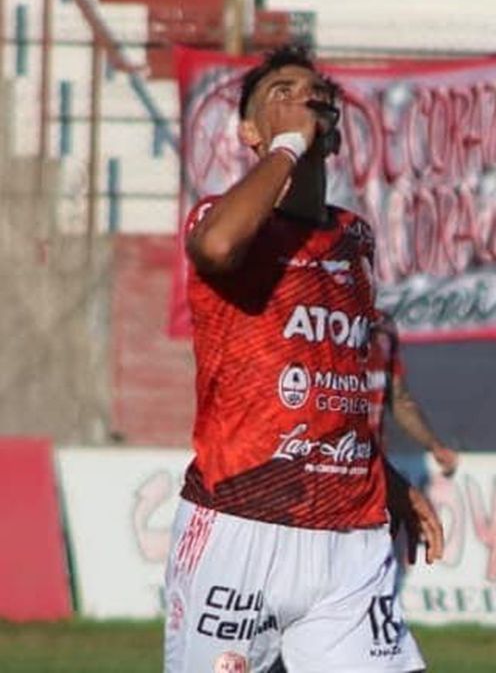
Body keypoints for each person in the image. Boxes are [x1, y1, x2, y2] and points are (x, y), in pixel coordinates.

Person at [165, 45, 443, 673]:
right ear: (249, 131)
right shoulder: (222, 219)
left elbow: (338, 383)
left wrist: (387, 478)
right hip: (241, 526)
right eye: (280, 94)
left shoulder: (354, 238)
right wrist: (286, 147)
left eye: (313, 93)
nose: (302, 100)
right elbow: (216, 246)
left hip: (348, 536)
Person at [369, 318, 460, 490]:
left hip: (373, 464)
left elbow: (399, 400)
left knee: (425, 514)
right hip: (328, 460)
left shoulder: (383, 325)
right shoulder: (325, 319)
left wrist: (434, 445)